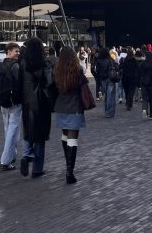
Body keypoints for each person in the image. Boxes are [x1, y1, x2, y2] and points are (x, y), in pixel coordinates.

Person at [19, 37, 54, 178]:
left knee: (28, 130)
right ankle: (37, 169)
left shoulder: (22, 63)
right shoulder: (44, 63)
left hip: (26, 101)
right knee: (40, 135)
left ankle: (27, 155)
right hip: (41, 101)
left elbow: (19, 82)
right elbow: (50, 82)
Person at [53, 47, 88, 184]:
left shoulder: (57, 70)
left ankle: (68, 165)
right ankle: (69, 172)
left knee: (65, 135)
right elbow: (83, 84)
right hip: (74, 106)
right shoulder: (78, 70)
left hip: (61, 106)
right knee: (73, 138)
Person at [0, 43, 21, 171]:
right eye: (16, 51)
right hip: (14, 103)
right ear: (9, 51)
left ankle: (10, 156)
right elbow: (19, 84)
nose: (18, 53)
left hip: (3, 102)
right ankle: (6, 160)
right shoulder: (15, 66)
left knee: (8, 130)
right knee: (13, 130)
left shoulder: (0, 65)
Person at [94, 48, 118, 118]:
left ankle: (106, 111)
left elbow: (97, 71)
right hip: (110, 79)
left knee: (106, 96)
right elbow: (116, 67)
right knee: (111, 96)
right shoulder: (110, 60)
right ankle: (110, 112)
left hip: (103, 80)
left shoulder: (99, 61)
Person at [138, 49, 152, 120]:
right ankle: (151, 115)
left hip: (144, 83)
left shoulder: (142, 64)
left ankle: (144, 109)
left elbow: (139, 74)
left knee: (145, 98)